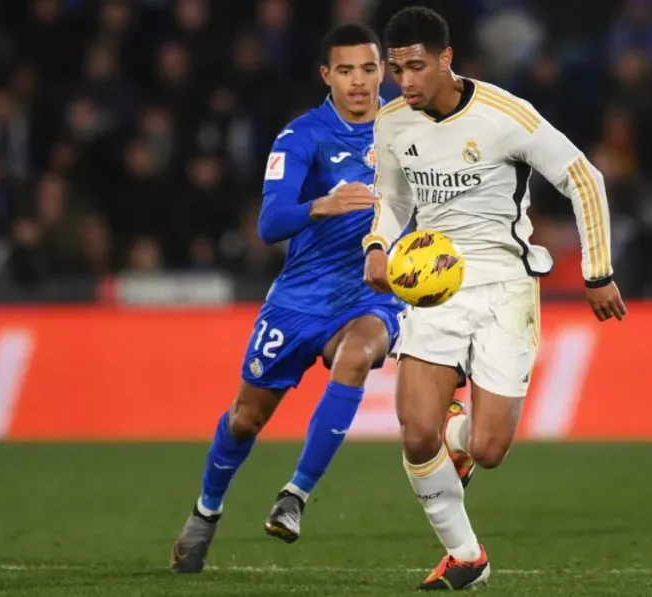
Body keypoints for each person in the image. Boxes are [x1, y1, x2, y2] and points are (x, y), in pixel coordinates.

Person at [361, 7, 627, 590]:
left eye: (416, 66)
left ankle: (462, 438)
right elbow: (392, 197)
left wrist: (597, 271)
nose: (404, 81)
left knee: (488, 446)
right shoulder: (391, 123)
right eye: (396, 69)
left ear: (445, 59)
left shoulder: (506, 116)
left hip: (505, 284)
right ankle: (466, 556)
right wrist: (378, 244)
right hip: (432, 284)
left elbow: (584, 178)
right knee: (414, 432)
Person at [171, 23, 404, 573]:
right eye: (346, 70)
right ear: (327, 75)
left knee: (356, 357)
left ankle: (295, 496)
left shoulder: (408, 129)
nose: (359, 82)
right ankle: (206, 512)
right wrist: (321, 204)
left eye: (369, 69)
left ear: (382, 72)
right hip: (299, 300)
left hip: (370, 293)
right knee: (245, 419)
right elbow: (271, 222)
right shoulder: (302, 136)